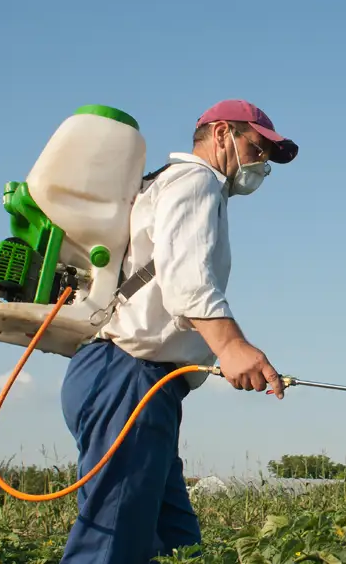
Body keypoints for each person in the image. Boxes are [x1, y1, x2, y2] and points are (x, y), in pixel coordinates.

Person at [58, 99, 300, 563]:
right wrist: (230, 346)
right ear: (222, 134)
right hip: (129, 376)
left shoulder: (172, 185)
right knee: (111, 546)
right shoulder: (196, 180)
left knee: (178, 544)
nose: (261, 164)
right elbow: (187, 279)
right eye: (257, 148)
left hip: (141, 383)